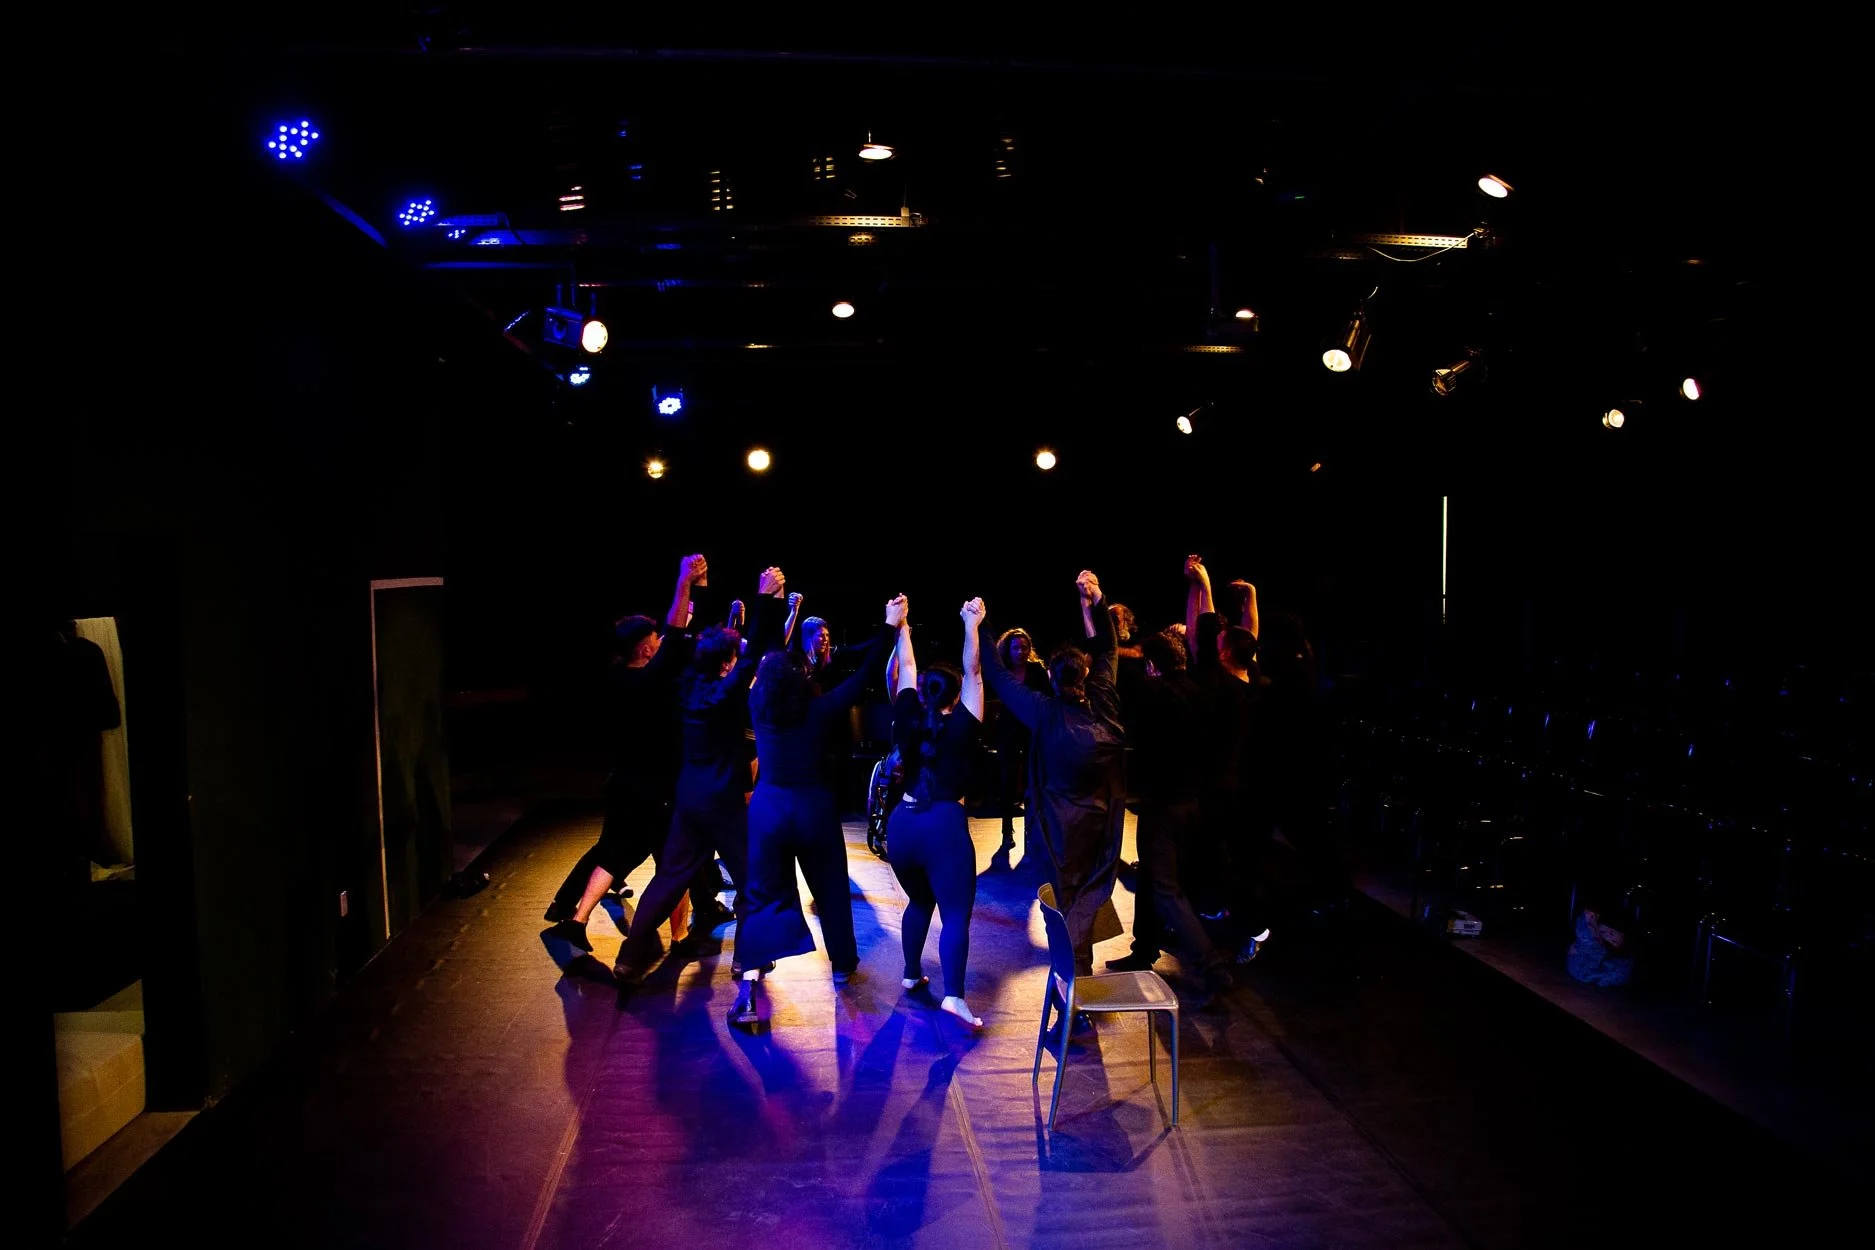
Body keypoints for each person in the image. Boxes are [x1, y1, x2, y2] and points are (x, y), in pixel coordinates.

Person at [613, 567, 791, 993]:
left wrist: (701, 589)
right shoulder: (726, 693)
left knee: (669, 878)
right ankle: (749, 958)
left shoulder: (683, 683)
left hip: (689, 799)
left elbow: (689, 640)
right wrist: (767, 598)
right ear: (726, 665)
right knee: (751, 880)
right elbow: (757, 652)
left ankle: (628, 957)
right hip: (723, 804)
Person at [729, 594, 903, 1029]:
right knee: (829, 888)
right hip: (812, 808)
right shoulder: (820, 708)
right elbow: (864, 675)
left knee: (759, 895)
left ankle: (749, 982)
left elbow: (753, 655)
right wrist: (889, 625)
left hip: (769, 809)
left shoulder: (757, 707)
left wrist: (767, 605)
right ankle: (842, 963)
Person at [544, 555, 726, 951]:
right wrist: (685, 583)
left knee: (612, 856)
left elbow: (681, 632)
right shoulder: (652, 679)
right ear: (646, 649)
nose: (661, 642)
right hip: (659, 788)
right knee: (675, 865)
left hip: (624, 783)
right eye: (655, 641)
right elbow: (678, 636)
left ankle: (576, 919)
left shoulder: (617, 678)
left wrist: (697, 588)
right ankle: (677, 938)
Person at [982, 571, 1126, 980]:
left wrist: (981, 622)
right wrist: (1096, 601)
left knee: (1062, 904)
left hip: (1059, 829)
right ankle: (1080, 975)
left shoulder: (1044, 713)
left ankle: (1074, 985)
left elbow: (998, 674)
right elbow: (1109, 650)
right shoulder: (1105, 706)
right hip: (1099, 826)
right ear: (1085, 673)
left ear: (1052, 677)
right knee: (1082, 896)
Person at [1109, 627, 1234, 992]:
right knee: (1153, 878)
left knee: (1164, 887)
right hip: (1193, 802)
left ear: (1151, 665)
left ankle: (1211, 965)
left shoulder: (1156, 694)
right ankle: (1144, 948)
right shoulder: (1199, 690)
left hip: (1164, 805)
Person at [884, 597, 989, 1028]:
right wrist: (972, 625)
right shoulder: (965, 721)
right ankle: (954, 997)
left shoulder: (907, 713)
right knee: (956, 914)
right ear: (956, 696)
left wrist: (901, 626)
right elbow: (975, 672)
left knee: (919, 900)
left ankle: (911, 975)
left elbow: (905, 668)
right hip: (942, 827)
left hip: (903, 825)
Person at [1184, 555, 1271, 962]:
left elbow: (1205, 627)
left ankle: (1248, 927)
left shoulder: (1220, 684)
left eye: (1221, 646)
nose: (1215, 647)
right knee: (1233, 857)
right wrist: (1250, 595)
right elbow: (1247, 633)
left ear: (1226, 654)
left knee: (1223, 856)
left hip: (1224, 786)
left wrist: (1204, 582)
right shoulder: (1253, 678)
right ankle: (1238, 916)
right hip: (1249, 785)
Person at [991, 627, 1054, 852]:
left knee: (1032, 782)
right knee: (1007, 782)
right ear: (1008, 649)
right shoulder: (1003, 670)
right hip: (1008, 730)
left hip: (1031, 730)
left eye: (1025, 647)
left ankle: (1030, 830)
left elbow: (1047, 698)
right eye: (1016, 647)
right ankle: (1007, 833)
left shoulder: (1037, 671)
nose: (1021, 651)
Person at [1567, 905, 1634, 986]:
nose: (1610, 938)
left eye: (1614, 941)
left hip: (1596, 972)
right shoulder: (1591, 940)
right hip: (1581, 963)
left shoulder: (1615, 958)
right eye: (1610, 933)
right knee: (1592, 943)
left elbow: (1620, 973)